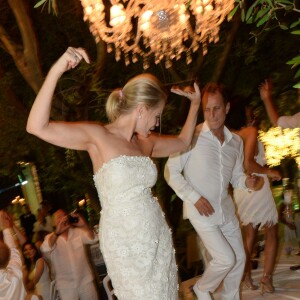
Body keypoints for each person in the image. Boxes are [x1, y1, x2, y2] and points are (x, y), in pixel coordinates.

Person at [26, 46, 201, 299]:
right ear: (141, 109)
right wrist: (57, 69)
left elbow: (184, 142)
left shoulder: (146, 142)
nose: (156, 123)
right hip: (123, 241)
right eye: (156, 116)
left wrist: (195, 105)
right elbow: (36, 126)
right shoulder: (98, 136)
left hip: (156, 235)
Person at [164, 83, 262, 300]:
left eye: (216, 108)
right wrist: (194, 197)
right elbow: (170, 172)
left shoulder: (236, 142)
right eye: (207, 109)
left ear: (227, 108)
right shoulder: (192, 136)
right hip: (201, 211)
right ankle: (201, 288)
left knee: (239, 259)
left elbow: (236, 177)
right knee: (226, 259)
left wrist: (248, 182)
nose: (211, 114)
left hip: (226, 211)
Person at [225, 97, 281, 294]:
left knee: (249, 234)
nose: (252, 114)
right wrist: (270, 172)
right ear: (242, 113)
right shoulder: (250, 132)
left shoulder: (230, 135)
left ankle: (246, 275)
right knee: (271, 231)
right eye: (249, 111)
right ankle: (266, 278)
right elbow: (249, 163)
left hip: (241, 188)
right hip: (256, 184)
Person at [40, 209, 98, 300]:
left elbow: (93, 239)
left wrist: (84, 225)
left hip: (85, 281)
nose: (63, 218)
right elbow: (45, 249)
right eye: (59, 217)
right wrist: (57, 233)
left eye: (65, 215)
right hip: (66, 286)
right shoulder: (50, 238)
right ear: (54, 223)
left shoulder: (78, 232)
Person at [0, 210, 27, 300]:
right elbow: (13, 251)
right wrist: (6, 228)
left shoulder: (16, 270)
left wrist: (6, 228)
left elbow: (12, 251)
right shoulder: (16, 273)